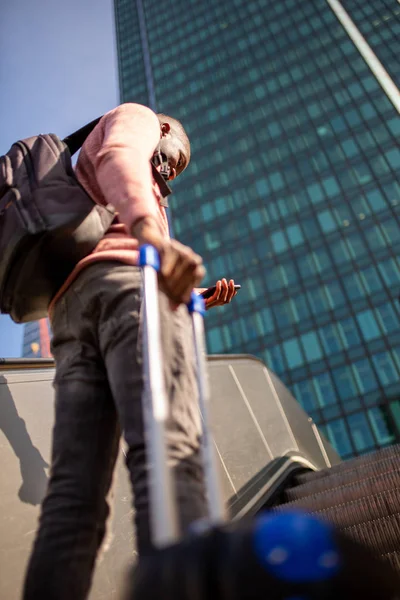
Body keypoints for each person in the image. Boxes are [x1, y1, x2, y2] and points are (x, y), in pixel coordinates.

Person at [22, 103, 237, 600]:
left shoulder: (104, 186)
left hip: (74, 313)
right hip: (128, 290)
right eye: (177, 159)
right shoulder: (139, 118)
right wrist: (149, 233)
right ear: (167, 131)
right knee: (170, 455)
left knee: (75, 498)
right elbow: (119, 154)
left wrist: (195, 298)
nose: (172, 171)